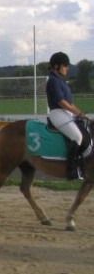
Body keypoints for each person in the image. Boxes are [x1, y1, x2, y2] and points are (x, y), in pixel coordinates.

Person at [46, 52, 87, 180]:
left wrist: (82, 114)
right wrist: (78, 113)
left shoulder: (61, 81)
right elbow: (61, 102)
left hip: (65, 113)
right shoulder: (53, 80)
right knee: (77, 136)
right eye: (65, 65)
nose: (67, 68)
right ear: (56, 66)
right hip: (58, 113)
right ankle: (71, 170)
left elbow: (70, 103)